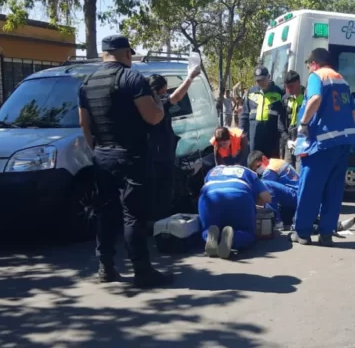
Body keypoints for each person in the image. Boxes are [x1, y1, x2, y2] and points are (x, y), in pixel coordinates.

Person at [78, 34, 171, 288]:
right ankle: (142, 270)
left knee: (105, 212)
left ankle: (105, 267)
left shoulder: (87, 82)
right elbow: (152, 117)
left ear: (103, 54)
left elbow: (84, 125)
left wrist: (98, 150)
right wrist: (160, 105)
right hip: (131, 156)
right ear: (127, 53)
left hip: (102, 156)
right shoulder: (132, 78)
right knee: (133, 214)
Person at [291, 48, 355, 247]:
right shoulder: (342, 80)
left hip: (321, 144)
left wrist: (304, 124)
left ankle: (302, 232)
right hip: (343, 144)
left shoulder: (317, 76)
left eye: (308, 66)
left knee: (310, 188)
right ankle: (326, 234)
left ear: (314, 63)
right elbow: (354, 113)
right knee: (334, 190)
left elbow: (315, 99)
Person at [147, 67, 200, 221]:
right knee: (163, 191)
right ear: (157, 90)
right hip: (161, 155)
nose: (166, 94)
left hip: (157, 153)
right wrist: (190, 78)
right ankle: (162, 223)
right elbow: (176, 97)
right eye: (164, 91)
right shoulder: (155, 103)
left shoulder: (144, 104)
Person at [199, 165, 272, 259]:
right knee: (248, 233)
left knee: (207, 227)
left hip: (209, 196)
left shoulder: (212, 171)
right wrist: (254, 202)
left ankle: (210, 234)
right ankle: (234, 237)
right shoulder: (247, 172)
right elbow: (266, 197)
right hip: (239, 193)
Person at [262, 179, 355, 232]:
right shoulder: (263, 185)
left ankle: (336, 226)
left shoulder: (265, 185)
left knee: (303, 223)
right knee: (293, 221)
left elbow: (270, 203)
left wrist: (277, 222)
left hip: (297, 202)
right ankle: (334, 226)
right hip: (288, 206)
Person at [241, 66, 285, 158]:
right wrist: (242, 132)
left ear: (269, 77)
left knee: (271, 164)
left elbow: (282, 116)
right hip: (254, 135)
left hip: (271, 136)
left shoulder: (279, 92)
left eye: (262, 80)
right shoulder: (251, 92)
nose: (260, 83)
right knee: (254, 162)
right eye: (258, 81)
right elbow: (244, 115)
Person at [280, 70, 306, 170]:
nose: (288, 89)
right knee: (287, 169)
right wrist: (287, 140)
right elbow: (281, 121)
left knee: (300, 169)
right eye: (286, 87)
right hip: (289, 138)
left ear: (298, 83)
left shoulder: (307, 97)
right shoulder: (285, 99)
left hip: (303, 138)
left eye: (291, 86)